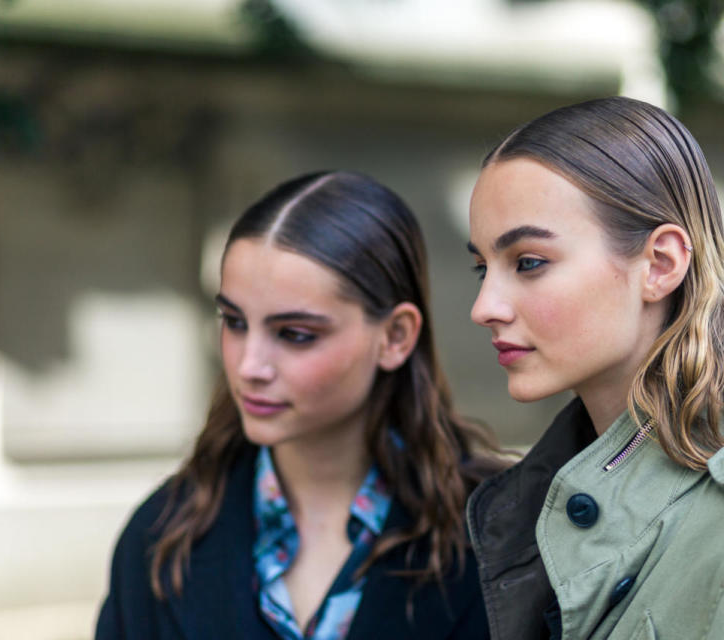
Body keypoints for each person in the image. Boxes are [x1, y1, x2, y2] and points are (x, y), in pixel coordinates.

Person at [464, 97, 724, 639]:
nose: (485, 306)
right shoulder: (527, 505)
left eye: (528, 262)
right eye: (482, 267)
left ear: (660, 265)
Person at [96, 170, 501, 640]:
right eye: (234, 321)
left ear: (395, 337)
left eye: (295, 334)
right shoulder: (160, 536)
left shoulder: (497, 535)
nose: (250, 365)